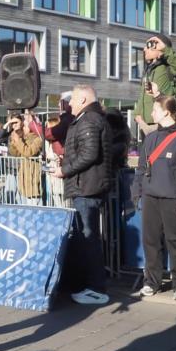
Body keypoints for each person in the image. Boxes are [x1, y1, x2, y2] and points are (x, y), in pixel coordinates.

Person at [131, 96, 176, 302]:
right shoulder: (150, 138)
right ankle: (151, 282)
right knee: (150, 241)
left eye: (155, 109)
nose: (151, 113)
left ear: (166, 112)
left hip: (173, 197)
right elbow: (141, 168)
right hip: (151, 196)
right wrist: (136, 191)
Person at [61, 85, 113, 305]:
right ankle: (88, 285)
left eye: (73, 99)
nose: (70, 103)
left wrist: (64, 170)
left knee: (88, 237)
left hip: (87, 187)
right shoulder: (90, 118)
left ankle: (95, 288)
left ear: (83, 99)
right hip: (85, 185)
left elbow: (90, 154)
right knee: (85, 237)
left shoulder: (89, 119)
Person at [133, 33, 176, 136]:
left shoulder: (168, 67)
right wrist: (137, 115)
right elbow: (143, 96)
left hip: (163, 124)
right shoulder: (148, 70)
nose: (145, 49)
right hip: (145, 125)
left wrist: (165, 50)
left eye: (149, 46)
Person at [7, 115, 43, 205]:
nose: (23, 128)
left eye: (25, 126)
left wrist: (18, 141)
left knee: (34, 204)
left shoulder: (38, 139)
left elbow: (28, 152)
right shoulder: (23, 138)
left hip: (33, 177)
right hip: (24, 177)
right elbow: (16, 154)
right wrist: (14, 142)